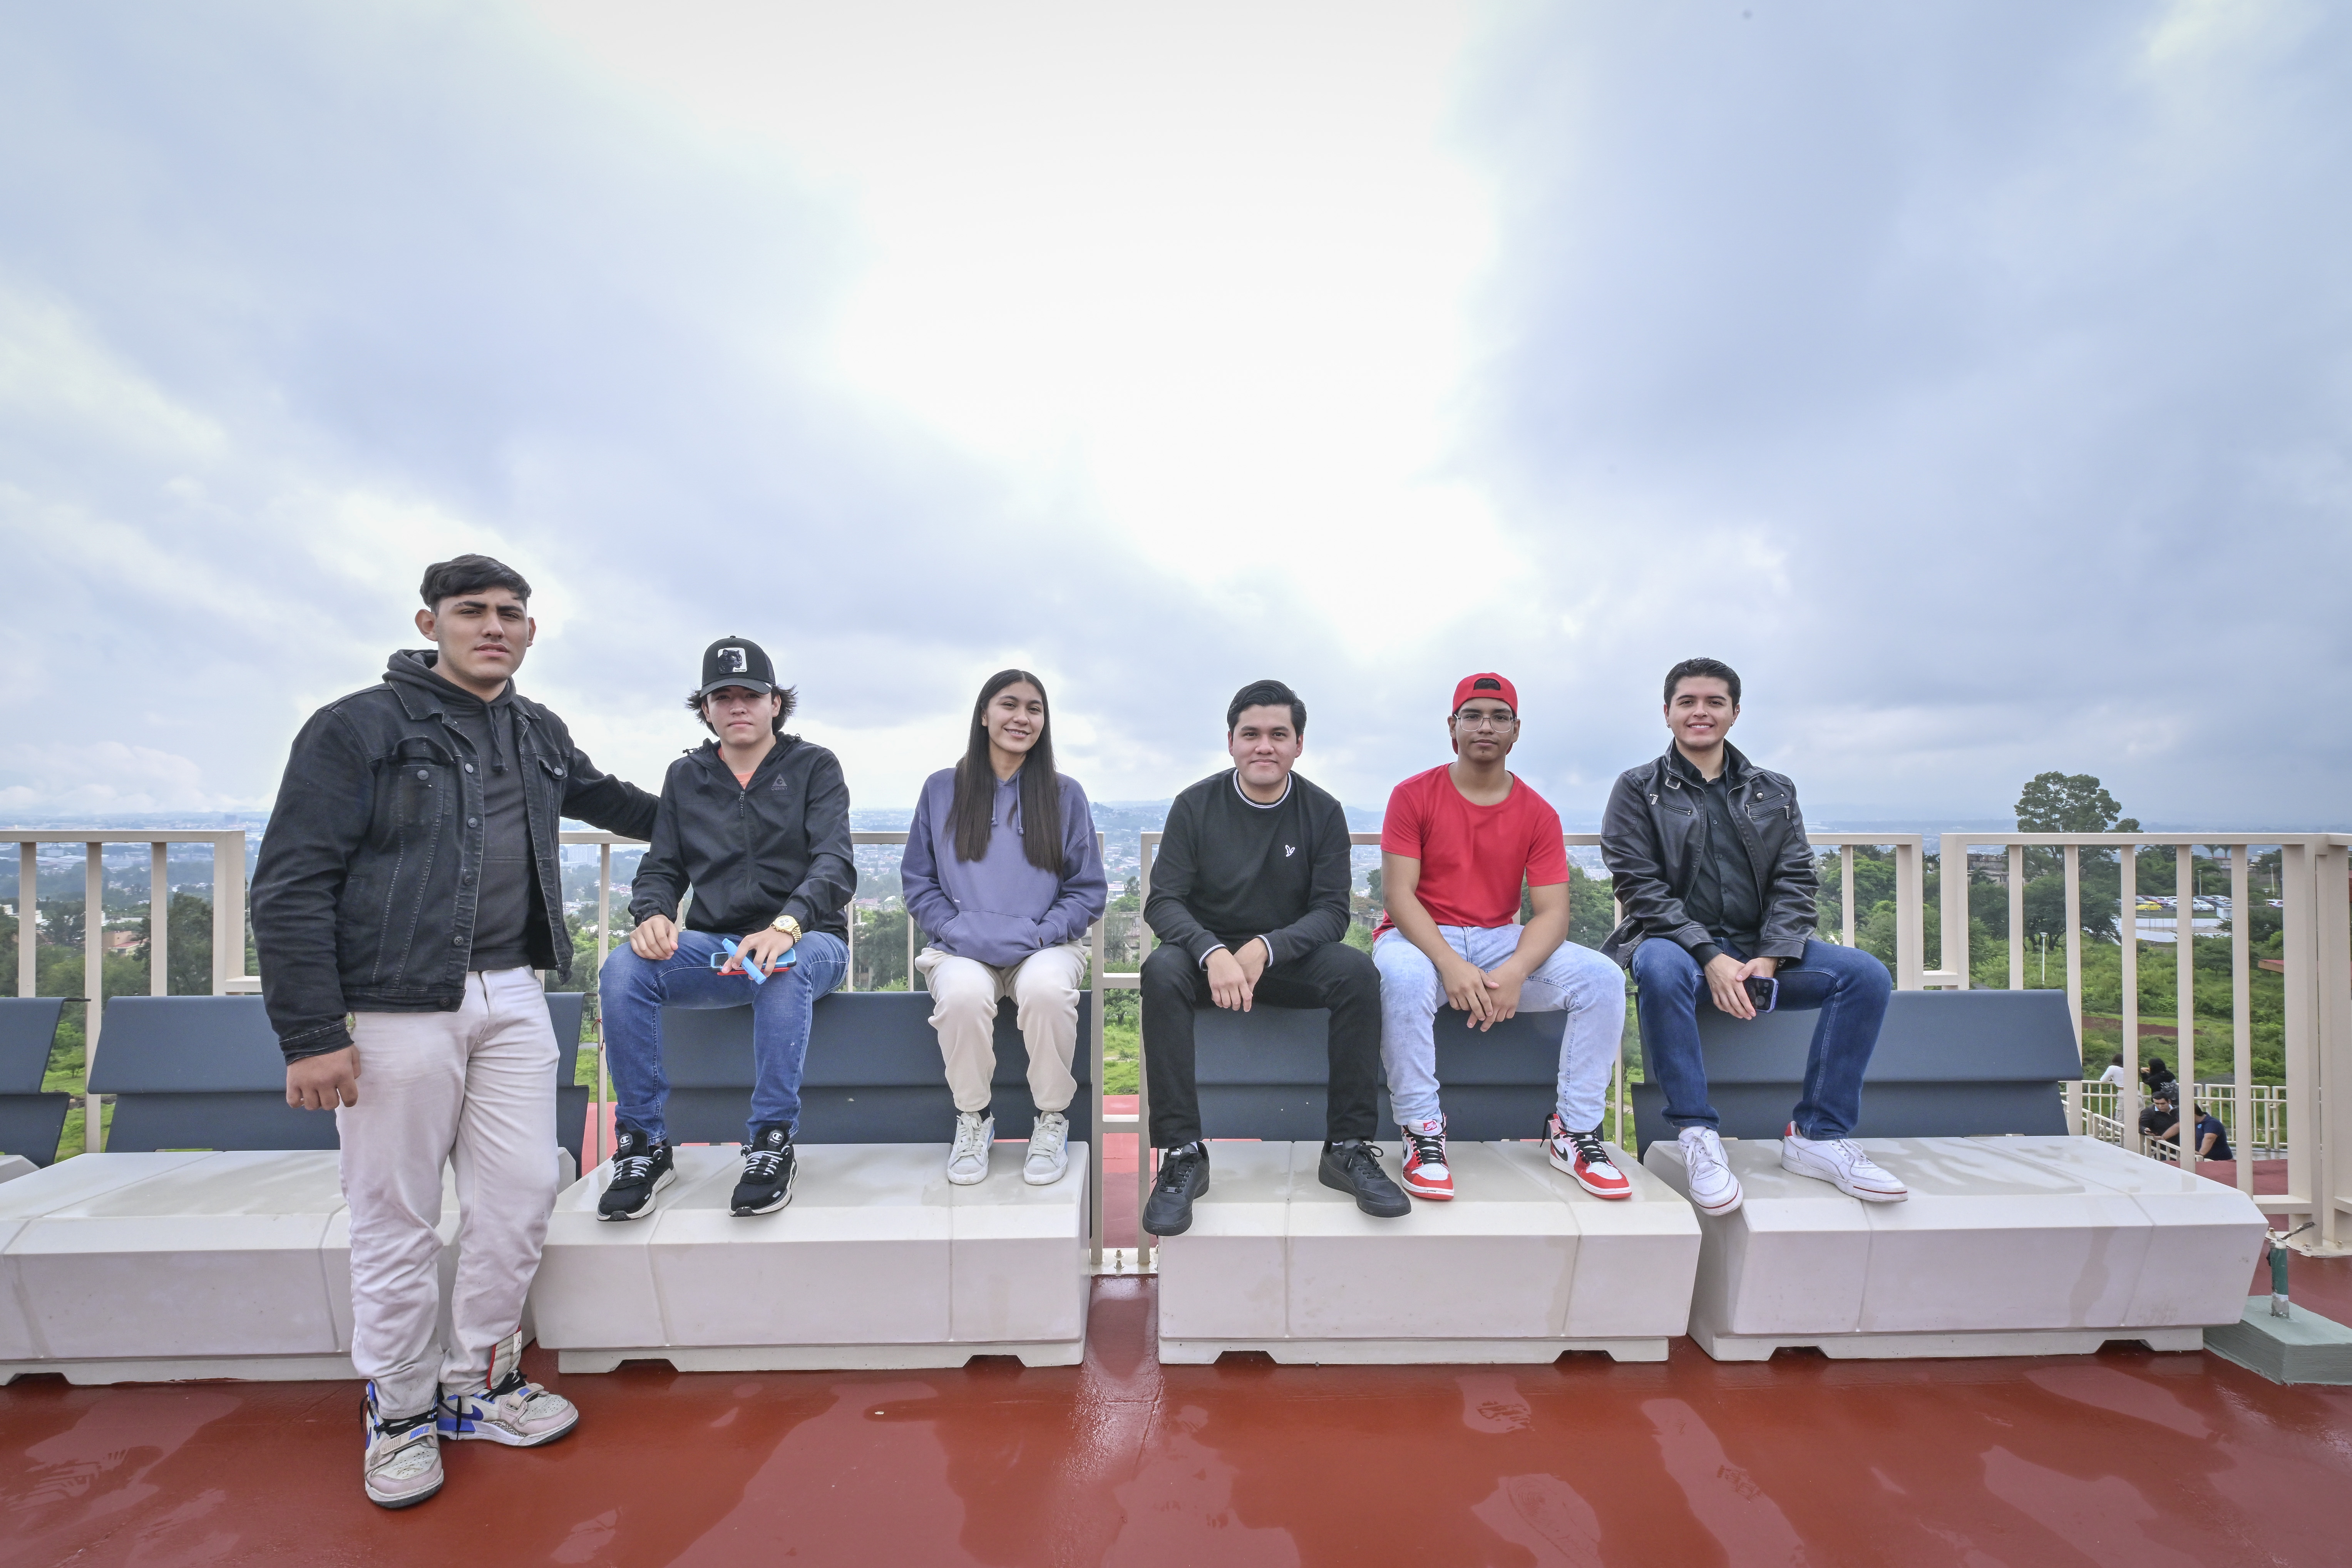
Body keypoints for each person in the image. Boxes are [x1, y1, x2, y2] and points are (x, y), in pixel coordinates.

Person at [254, 554, 659, 1509]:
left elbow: (622, 803)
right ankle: (399, 1409)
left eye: (510, 612)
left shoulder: (536, 730)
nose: (493, 626)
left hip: (514, 993)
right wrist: (310, 1031)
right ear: (429, 622)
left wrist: (748, 799)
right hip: (397, 1003)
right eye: (471, 610)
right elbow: (293, 880)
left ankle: (479, 1382)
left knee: (521, 1194)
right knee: (394, 1212)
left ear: (530, 630)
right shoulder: (358, 726)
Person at [1600, 657, 1905, 1218]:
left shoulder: (1773, 790)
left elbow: (1796, 878)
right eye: (1687, 702)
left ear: (1734, 712)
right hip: (1675, 946)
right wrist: (1708, 955)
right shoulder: (1638, 788)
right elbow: (1639, 886)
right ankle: (1696, 1134)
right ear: (1667, 712)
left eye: (1714, 702)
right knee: (1659, 967)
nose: (1700, 712)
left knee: (1865, 975)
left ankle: (1818, 1135)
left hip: (1758, 949)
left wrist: (1770, 956)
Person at [596, 637, 854, 1222]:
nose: (738, 705)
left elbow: (834, 864)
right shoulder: (687, 776)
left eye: (751, 695)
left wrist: (786, 925)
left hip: (811, 941)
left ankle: (770, 1141)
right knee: (623, 968)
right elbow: (662, 866)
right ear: (706, 709)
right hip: (719, 946)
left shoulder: (814, 765)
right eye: (723, 696)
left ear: (775, 704)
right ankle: (643, 1144)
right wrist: (653, 913)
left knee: (780, 965)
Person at [1138, 679, 1410, 1235]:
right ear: (1231, 742)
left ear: (1298, 744)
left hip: (1285, 960)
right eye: (1251, 734)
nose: (1264, 745)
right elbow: (1163, 901)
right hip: (1208, 960)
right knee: (1161, 970)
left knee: (1357, 973)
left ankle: (1347, 1146)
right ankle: (1182, 1151)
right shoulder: (1195, 805)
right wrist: (1211, 950)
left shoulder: (1322, 811)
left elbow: (1331, 912)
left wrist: (1268, 947)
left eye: (1278, 734)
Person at [1373, 673, 1630, 1202]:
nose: (1485, 726)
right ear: (1452, 727)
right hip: (1417, 937)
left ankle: (1575, 1131)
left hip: (1499, 938)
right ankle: (1422, 1130)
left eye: (1498, 716)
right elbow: (1399, 896)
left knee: (1602, 979)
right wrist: (1449, 962)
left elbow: (1553, 914)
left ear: (1516, 731)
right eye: (1472, 715)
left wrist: (1515, 971)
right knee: (1403, 978)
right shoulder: (1412, 795)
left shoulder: (1538, 812)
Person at [902, 669, 1109, 1186]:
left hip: (1044, 945)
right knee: (963, 997)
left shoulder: (1064, 794)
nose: (1022, 718)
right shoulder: (941, 789)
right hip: (959, 947)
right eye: (1009, 704)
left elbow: (1088, 890)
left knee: (1046, 991)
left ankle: (1051, 1118)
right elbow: (919, 881)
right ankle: (973, 1118)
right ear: (984, 714)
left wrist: (1040, 934)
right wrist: (955, 930)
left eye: (1034, 708)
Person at [2156, 1101, 2232, 1162]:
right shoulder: (2191, 1122)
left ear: (2193, 1114)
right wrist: (2163, 1137)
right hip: (2201, 1160)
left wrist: (2201, 1153)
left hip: (2219, 1161)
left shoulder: (2212, 1123)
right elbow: (2178, 1126)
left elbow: (2210, 1138)